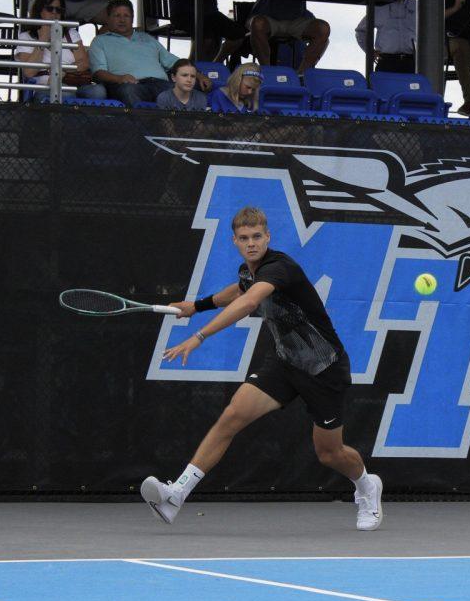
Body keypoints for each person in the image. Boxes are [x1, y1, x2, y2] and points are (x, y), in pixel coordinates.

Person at [142, 206, 384, 531]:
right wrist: (196, 306)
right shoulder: (249, 270)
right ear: (235, 241)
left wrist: (199, 336)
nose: (251, 243)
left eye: (257, 237)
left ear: (267, 237)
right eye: (244, 238)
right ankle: (175, 496)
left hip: (323, 370)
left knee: (330, 453)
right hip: (284, 364)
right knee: (232, 416)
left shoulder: (280, 267)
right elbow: (239, 289)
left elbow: (248, 302)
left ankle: (368, 486)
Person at [89, 0, 211, 107]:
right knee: (128, 91)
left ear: (132, 19)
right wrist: (120, 78)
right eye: (117, 16)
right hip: (130, 86)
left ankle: (177, 129)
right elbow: (98, 73)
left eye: (126, 16)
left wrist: (199, 75)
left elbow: (173, 62)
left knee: (189, 86)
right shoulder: (100, 41)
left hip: (161, 83)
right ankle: (144, 130)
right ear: (108, 18)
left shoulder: (147, 38)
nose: (122, 20)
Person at [16, 0, 106, 102]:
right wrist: (42, 40)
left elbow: (84, 63)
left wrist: (61, 71)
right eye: (50, 9)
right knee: (65, 92)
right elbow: (29, 72)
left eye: (58, 10)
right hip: (44, 87)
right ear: (39, 11)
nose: (54, 13)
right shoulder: (26, 36)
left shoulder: (71, 33)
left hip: (73, 82)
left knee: (98, 91)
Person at [355, 0, 416, 73]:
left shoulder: (418, 5)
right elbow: (360, 30)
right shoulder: (379, 7)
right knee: (383, 89)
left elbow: (432, 28)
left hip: (412, 61)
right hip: (387, 61)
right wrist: (370, 51)